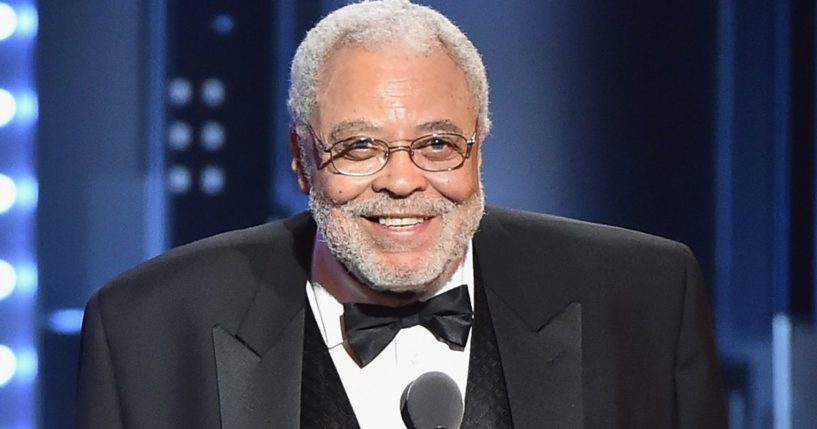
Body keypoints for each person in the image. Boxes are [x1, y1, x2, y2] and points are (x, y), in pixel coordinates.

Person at [76, 1, 727, 428]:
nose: (401, 180)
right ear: (301, 158)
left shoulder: (645, 298)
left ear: (480, 146)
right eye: (358, 146)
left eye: (437, 144)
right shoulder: (146, 330)